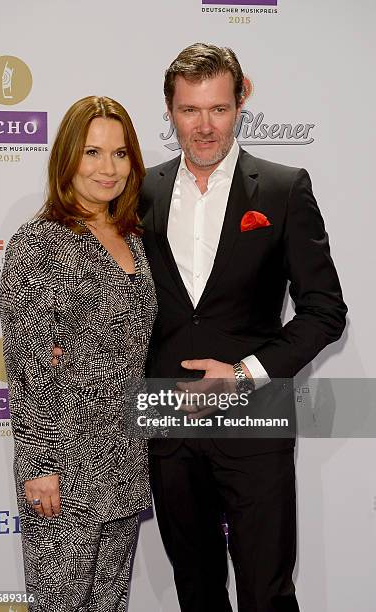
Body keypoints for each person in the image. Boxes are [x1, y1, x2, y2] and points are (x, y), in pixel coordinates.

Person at [138, 43, 347, 612]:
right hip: (168, 422)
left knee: (266, 591)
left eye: (219, 109)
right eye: (189, 110)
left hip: (256, 420)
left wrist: (245, 373)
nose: (204, 126)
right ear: (170, 110)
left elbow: (326, 310)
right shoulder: (140, 191)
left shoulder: (283, 188)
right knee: (196, 591)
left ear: (240, 104)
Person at [0, 95, 157, 611]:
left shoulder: (133, 240)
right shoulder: (39, 244)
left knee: (110, 605)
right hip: (64, 471)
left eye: (119, 153)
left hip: (125, 463)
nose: (106, 168)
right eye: (92, 152)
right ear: (67, 157)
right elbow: (28, 366)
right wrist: (38, 463)